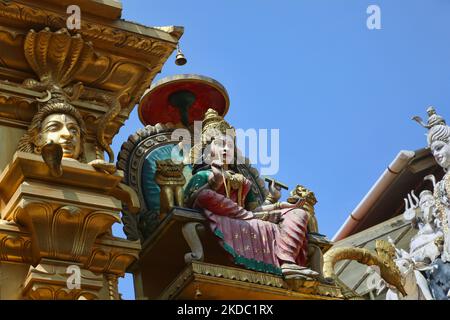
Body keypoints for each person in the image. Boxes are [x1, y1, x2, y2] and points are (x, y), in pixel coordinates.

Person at [184, 108, 318, 279]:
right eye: (219, 145)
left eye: (229, 146)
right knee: (205, 196)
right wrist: (213, 182)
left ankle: (288, 262)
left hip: (248, 216)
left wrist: (274, 199)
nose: (225, 150)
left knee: (298, 213)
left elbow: (256, 210)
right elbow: (190, 201)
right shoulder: (203, 175)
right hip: (224, 214)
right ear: (208, 152)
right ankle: (246, 218)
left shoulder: (243, 180)